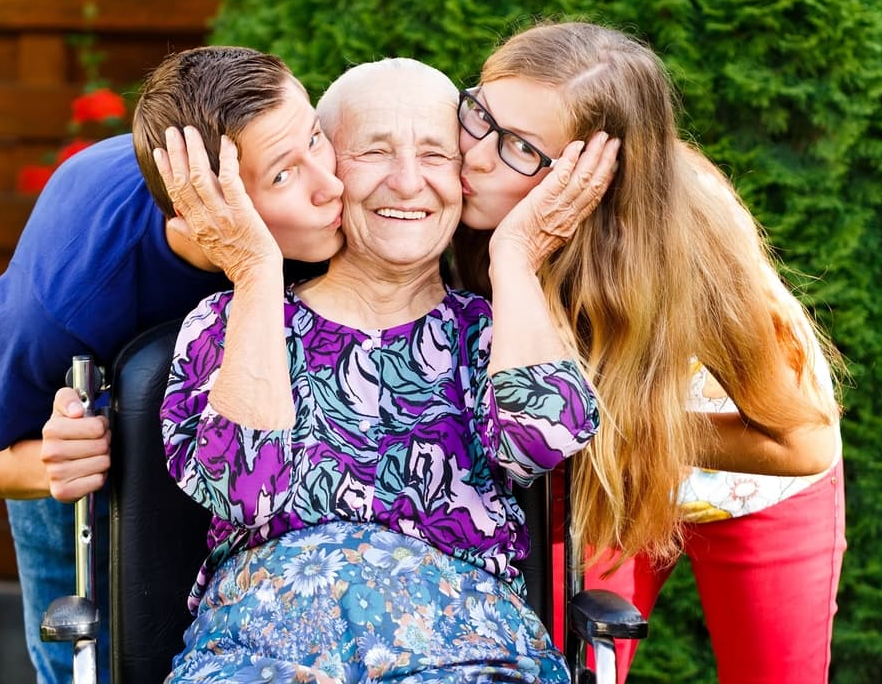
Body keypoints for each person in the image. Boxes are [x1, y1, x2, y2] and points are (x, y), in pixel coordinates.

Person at [154, 57, 617, 683]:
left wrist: (516, 256)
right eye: (374, 152)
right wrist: (255, 270)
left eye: (435, 156)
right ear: (330, 168)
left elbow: (542, 443)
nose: (406, 182)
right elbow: (246, 490)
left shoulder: (494, 330)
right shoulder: (226, 324)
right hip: (263, 655)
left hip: (463, 655)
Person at [452, 20, 845, 683]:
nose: (478, 155)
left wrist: (628, 424)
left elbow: (801, 442)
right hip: (612, 477)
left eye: (520, 145)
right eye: (480, 115)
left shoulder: (690, 235)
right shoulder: (460, 196)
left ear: (597, 174)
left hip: (750, 478)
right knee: (565, 664)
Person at [0, 46, 344, 684]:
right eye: (284, 176)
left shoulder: (321, 209)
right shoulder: (74, 295)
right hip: (80, 483)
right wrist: (53, 465)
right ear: (200, 208)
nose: (334, 185)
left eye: (316, 138)